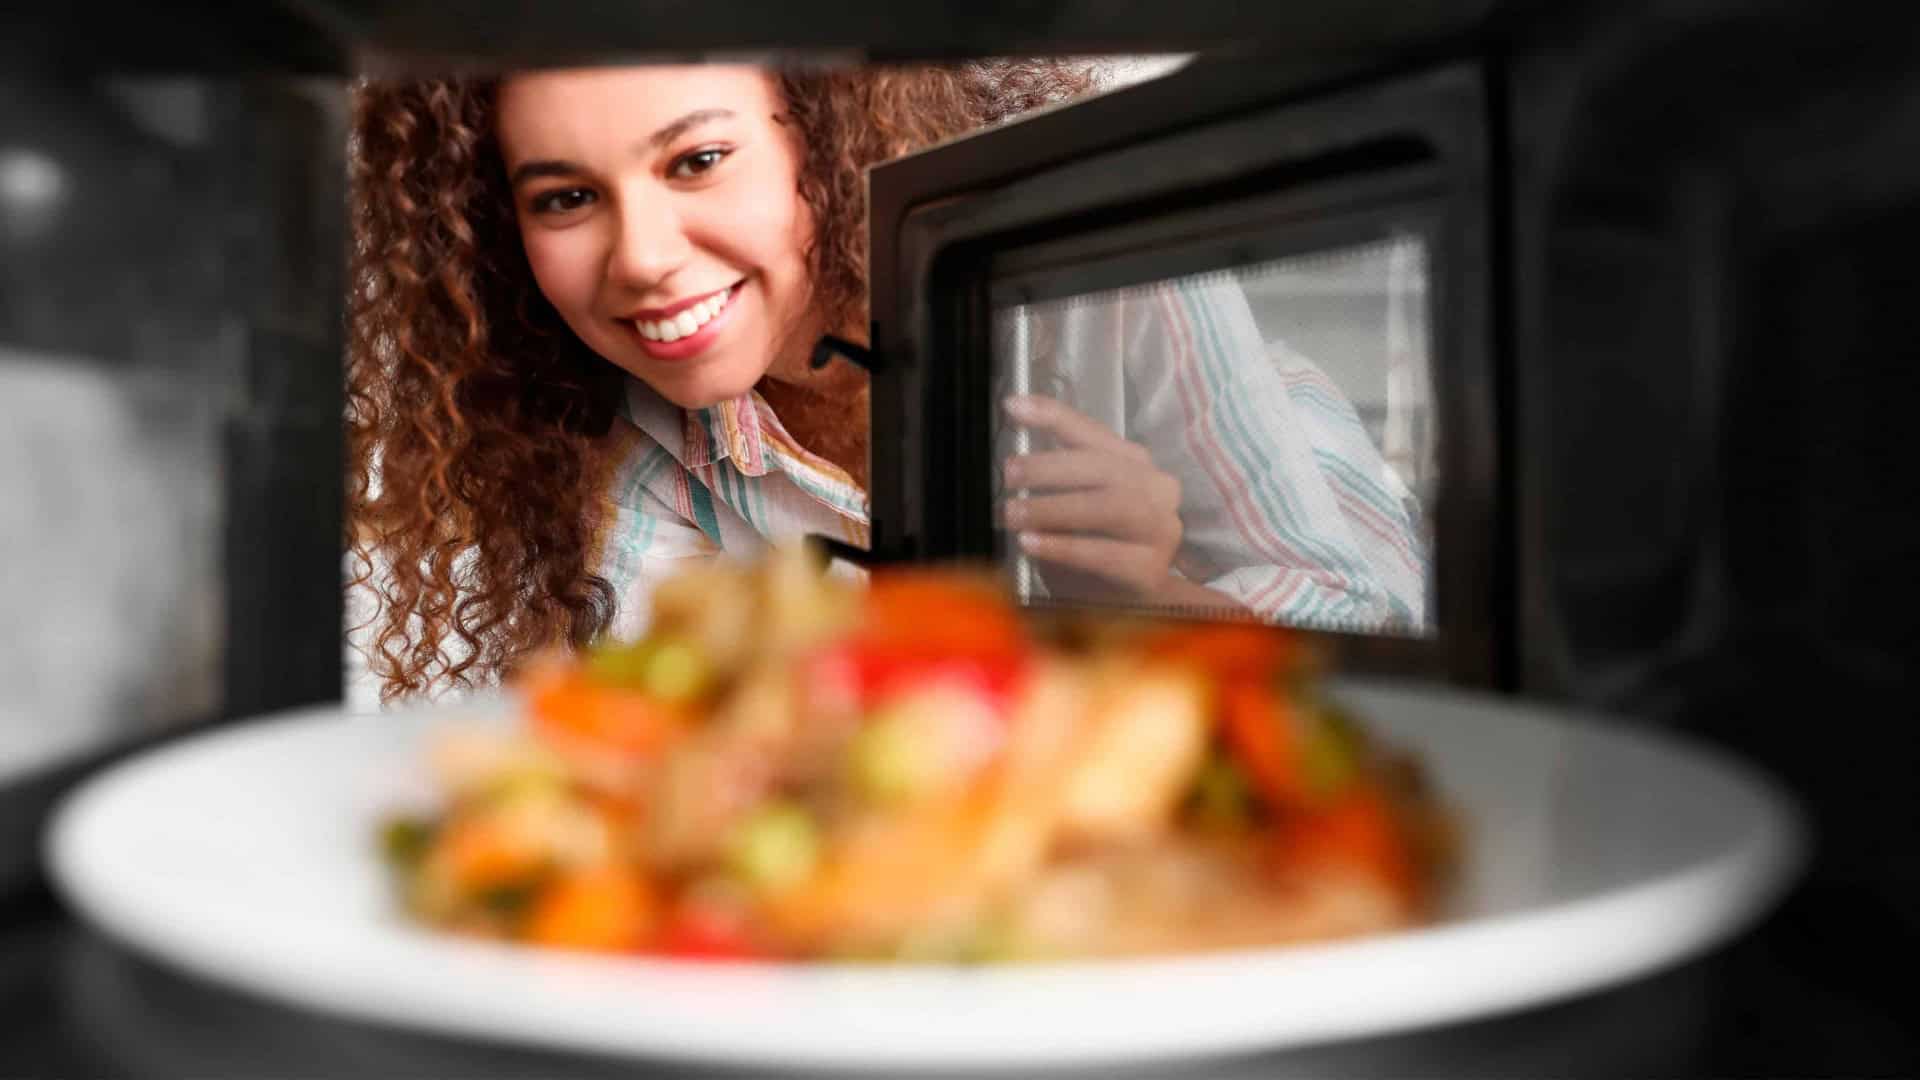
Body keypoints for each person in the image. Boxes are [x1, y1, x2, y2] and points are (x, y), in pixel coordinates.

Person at [347, 62, 1426, 704]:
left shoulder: (1097, 278)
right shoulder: (619, 469)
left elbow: (1376, 636)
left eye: (697, 161)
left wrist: (1150, 598)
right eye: (568, 198)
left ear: (820, 130)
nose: (641, 257)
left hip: (1315, 502)